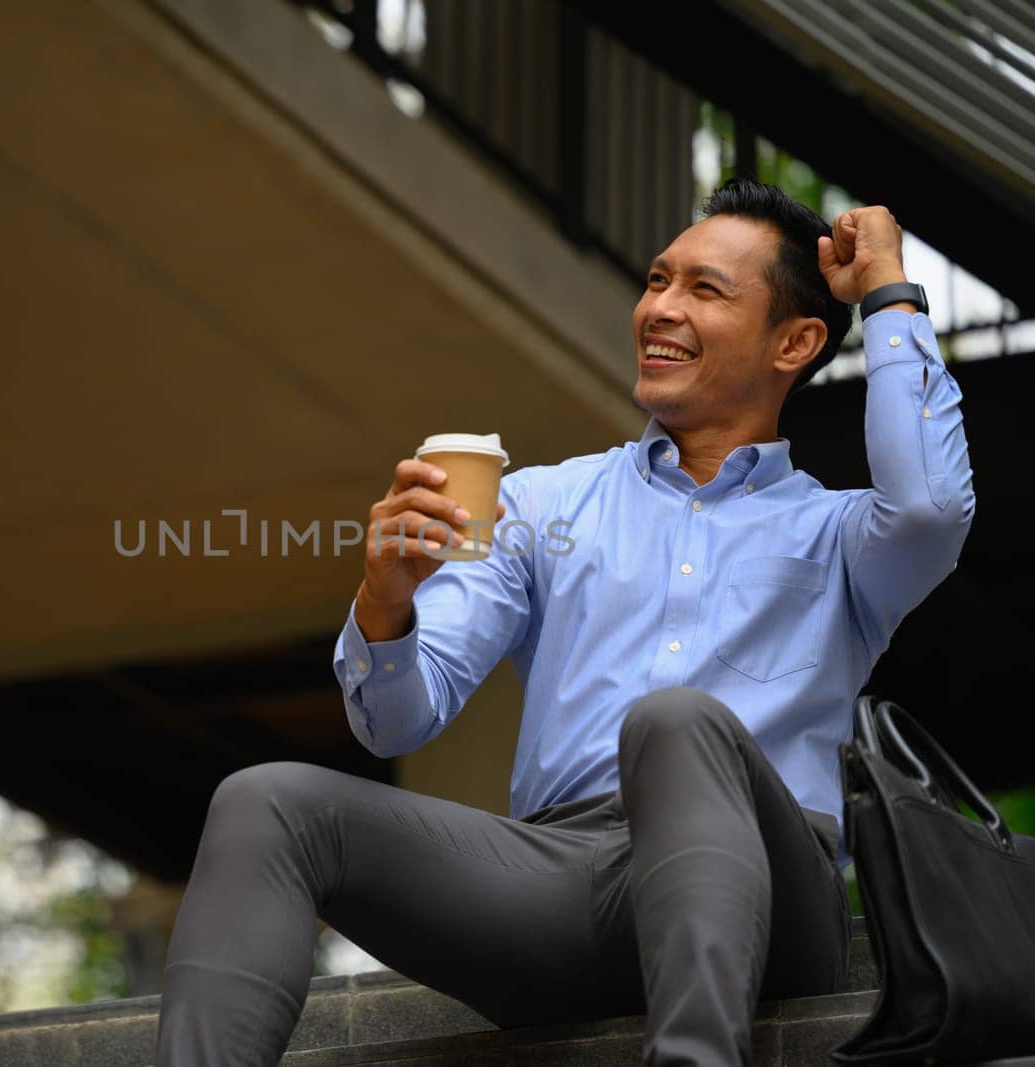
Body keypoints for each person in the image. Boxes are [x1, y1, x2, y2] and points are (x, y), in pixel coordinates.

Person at [153, 179, 974, 1065]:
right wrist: (384, 596)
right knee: (266, 801)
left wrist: (889, 286)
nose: (659, 307)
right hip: (563, 886)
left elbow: (931, 506)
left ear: (796, 342)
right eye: (658, 279)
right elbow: (398, 715)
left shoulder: (841, 535)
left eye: (705, 289)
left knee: (674, 720)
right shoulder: (539, 504)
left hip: (774, 897)